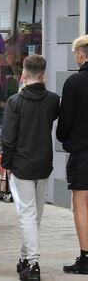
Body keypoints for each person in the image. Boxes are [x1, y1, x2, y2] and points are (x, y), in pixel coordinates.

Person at [1, 55, 59, 281]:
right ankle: (25, 257)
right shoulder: (53, 100)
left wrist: (6, 163)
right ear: (43, 75)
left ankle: (33, 262)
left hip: (21, 164)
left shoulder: (15, 102)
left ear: (23, 75)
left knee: (27, 214)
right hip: (43, 162)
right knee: (35, 215)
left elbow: (8, 138)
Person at [57, 35, 88, 275]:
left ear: (81, 55)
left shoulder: (75, 82)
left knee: (81, 203)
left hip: (82, 151)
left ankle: (86, 256)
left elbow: (65, 121)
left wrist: (64, 138)